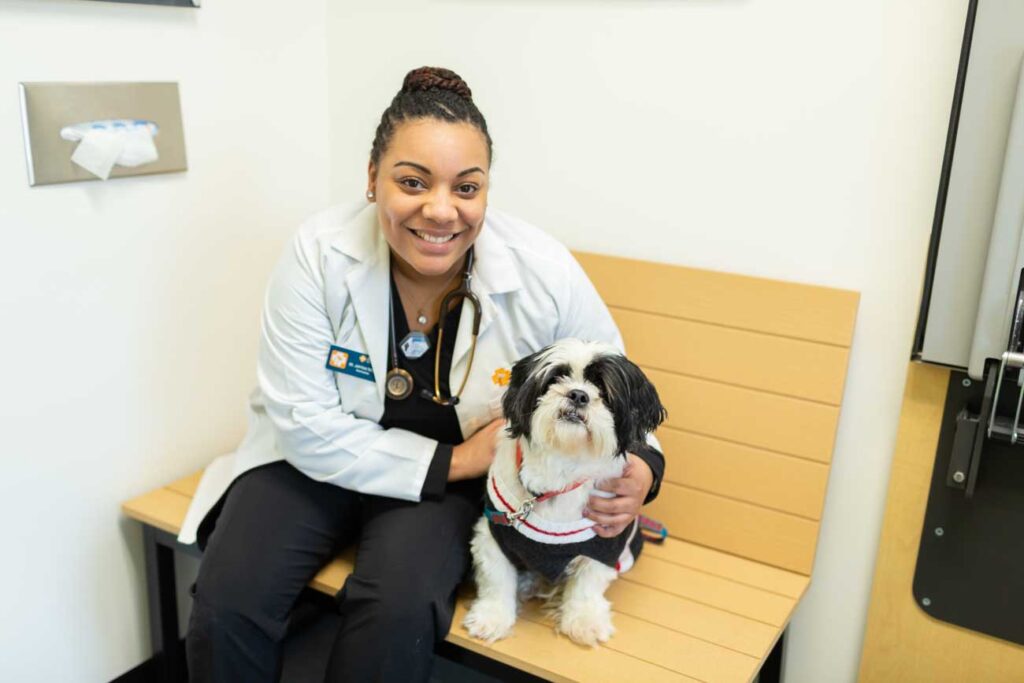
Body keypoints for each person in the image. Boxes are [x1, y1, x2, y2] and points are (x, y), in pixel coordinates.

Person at [181, 66, 666, 683]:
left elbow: (617, 390)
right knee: (230, 602)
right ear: (371, 179)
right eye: (413, 182)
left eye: (467, 188)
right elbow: (303, 423)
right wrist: (459, 460)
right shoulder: (318, 253)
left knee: (397, 610)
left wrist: (644, 470)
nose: (441, 211)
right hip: (312, 461)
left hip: (439, 496)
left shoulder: (542, 270)